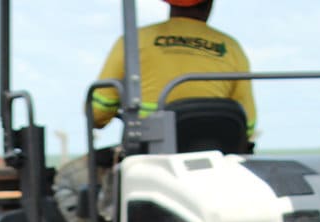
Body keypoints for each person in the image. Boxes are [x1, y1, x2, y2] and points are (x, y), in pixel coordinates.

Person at [90, 1, 256, 141]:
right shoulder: (232, 48)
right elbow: (248, 126)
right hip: (217, 155)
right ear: (210, 4)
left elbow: (98, 112)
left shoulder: (134, 40)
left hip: (149, 151)